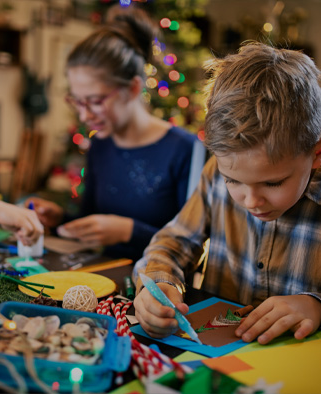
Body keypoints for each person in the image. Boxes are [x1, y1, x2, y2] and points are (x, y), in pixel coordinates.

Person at [133, 42, 321, 345]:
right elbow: (171, 243)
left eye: (272, 183)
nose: (251, 201)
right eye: (232, 180)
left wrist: (316, 305)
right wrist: (160, 283)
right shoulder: (213, 175)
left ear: (316, 154)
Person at [27, 4, 199, 262]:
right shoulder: (101, 147)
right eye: (78, 101)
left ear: (132, 89)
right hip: (102, 279)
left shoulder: (185, 149)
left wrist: (129, 232)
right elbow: (92, 222)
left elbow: (192, 246)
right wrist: (60, 219)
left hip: (161, 289)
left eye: (95, 101)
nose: (84, 116)